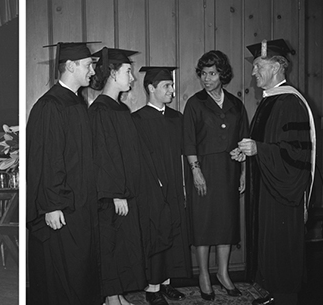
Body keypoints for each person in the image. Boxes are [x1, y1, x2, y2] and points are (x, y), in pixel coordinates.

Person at [233, 39, 316, 305]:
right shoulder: (270, 101)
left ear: (278, 67)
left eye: (258, 66)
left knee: (281, 246)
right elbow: (268, 143)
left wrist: (260, 150)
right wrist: (248, 151)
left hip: (284, 192)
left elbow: (295, 153)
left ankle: (285, 298)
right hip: (268, 189)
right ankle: (272, 293)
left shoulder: (290, 103)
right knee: (269, 244)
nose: (253, 72)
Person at [26, 42, 100, 305]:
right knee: (62, 276)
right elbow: (47, 159)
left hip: (79, 205)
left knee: (79, 273)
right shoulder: (51, 105)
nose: (94, 70)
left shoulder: (75, 101)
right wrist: (51, 205)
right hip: (62, 208)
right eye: (89, 64)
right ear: (71, 66)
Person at [183, 50, 249, 300]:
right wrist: (195, 171)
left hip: (229, 171)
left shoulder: (235, 104)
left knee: (225, 222)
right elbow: (188, 141)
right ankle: (203, 275)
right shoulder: (195, 103)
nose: (206, 78)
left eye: (212, 73)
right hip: (203, 171)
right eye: (203, 74)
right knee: (204, 223)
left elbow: (244, 139)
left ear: (222, 74)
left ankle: (223, 273)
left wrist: (243, 170)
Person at [88, 47, 145, 305]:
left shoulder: (119, 109)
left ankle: (117, 295)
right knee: (109, 243)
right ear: (112, 73)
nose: (132, 78)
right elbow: (103, 157)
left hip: (125, 191)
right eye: (128, 71)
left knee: (121, 244)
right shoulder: (100, 110)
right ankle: (111, 298)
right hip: (111, 195)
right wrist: (115, 194)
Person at [132, 66, 192, 305]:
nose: (172, 91)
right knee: (156, 233)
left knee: (174, 230)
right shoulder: (137, 120)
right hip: (152, 188)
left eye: (172, 85)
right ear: (150, 88)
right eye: (167, 86)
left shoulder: (177, 118)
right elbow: (138, 158)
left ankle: (167, 283)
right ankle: (152, 288)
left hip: (175, 185)